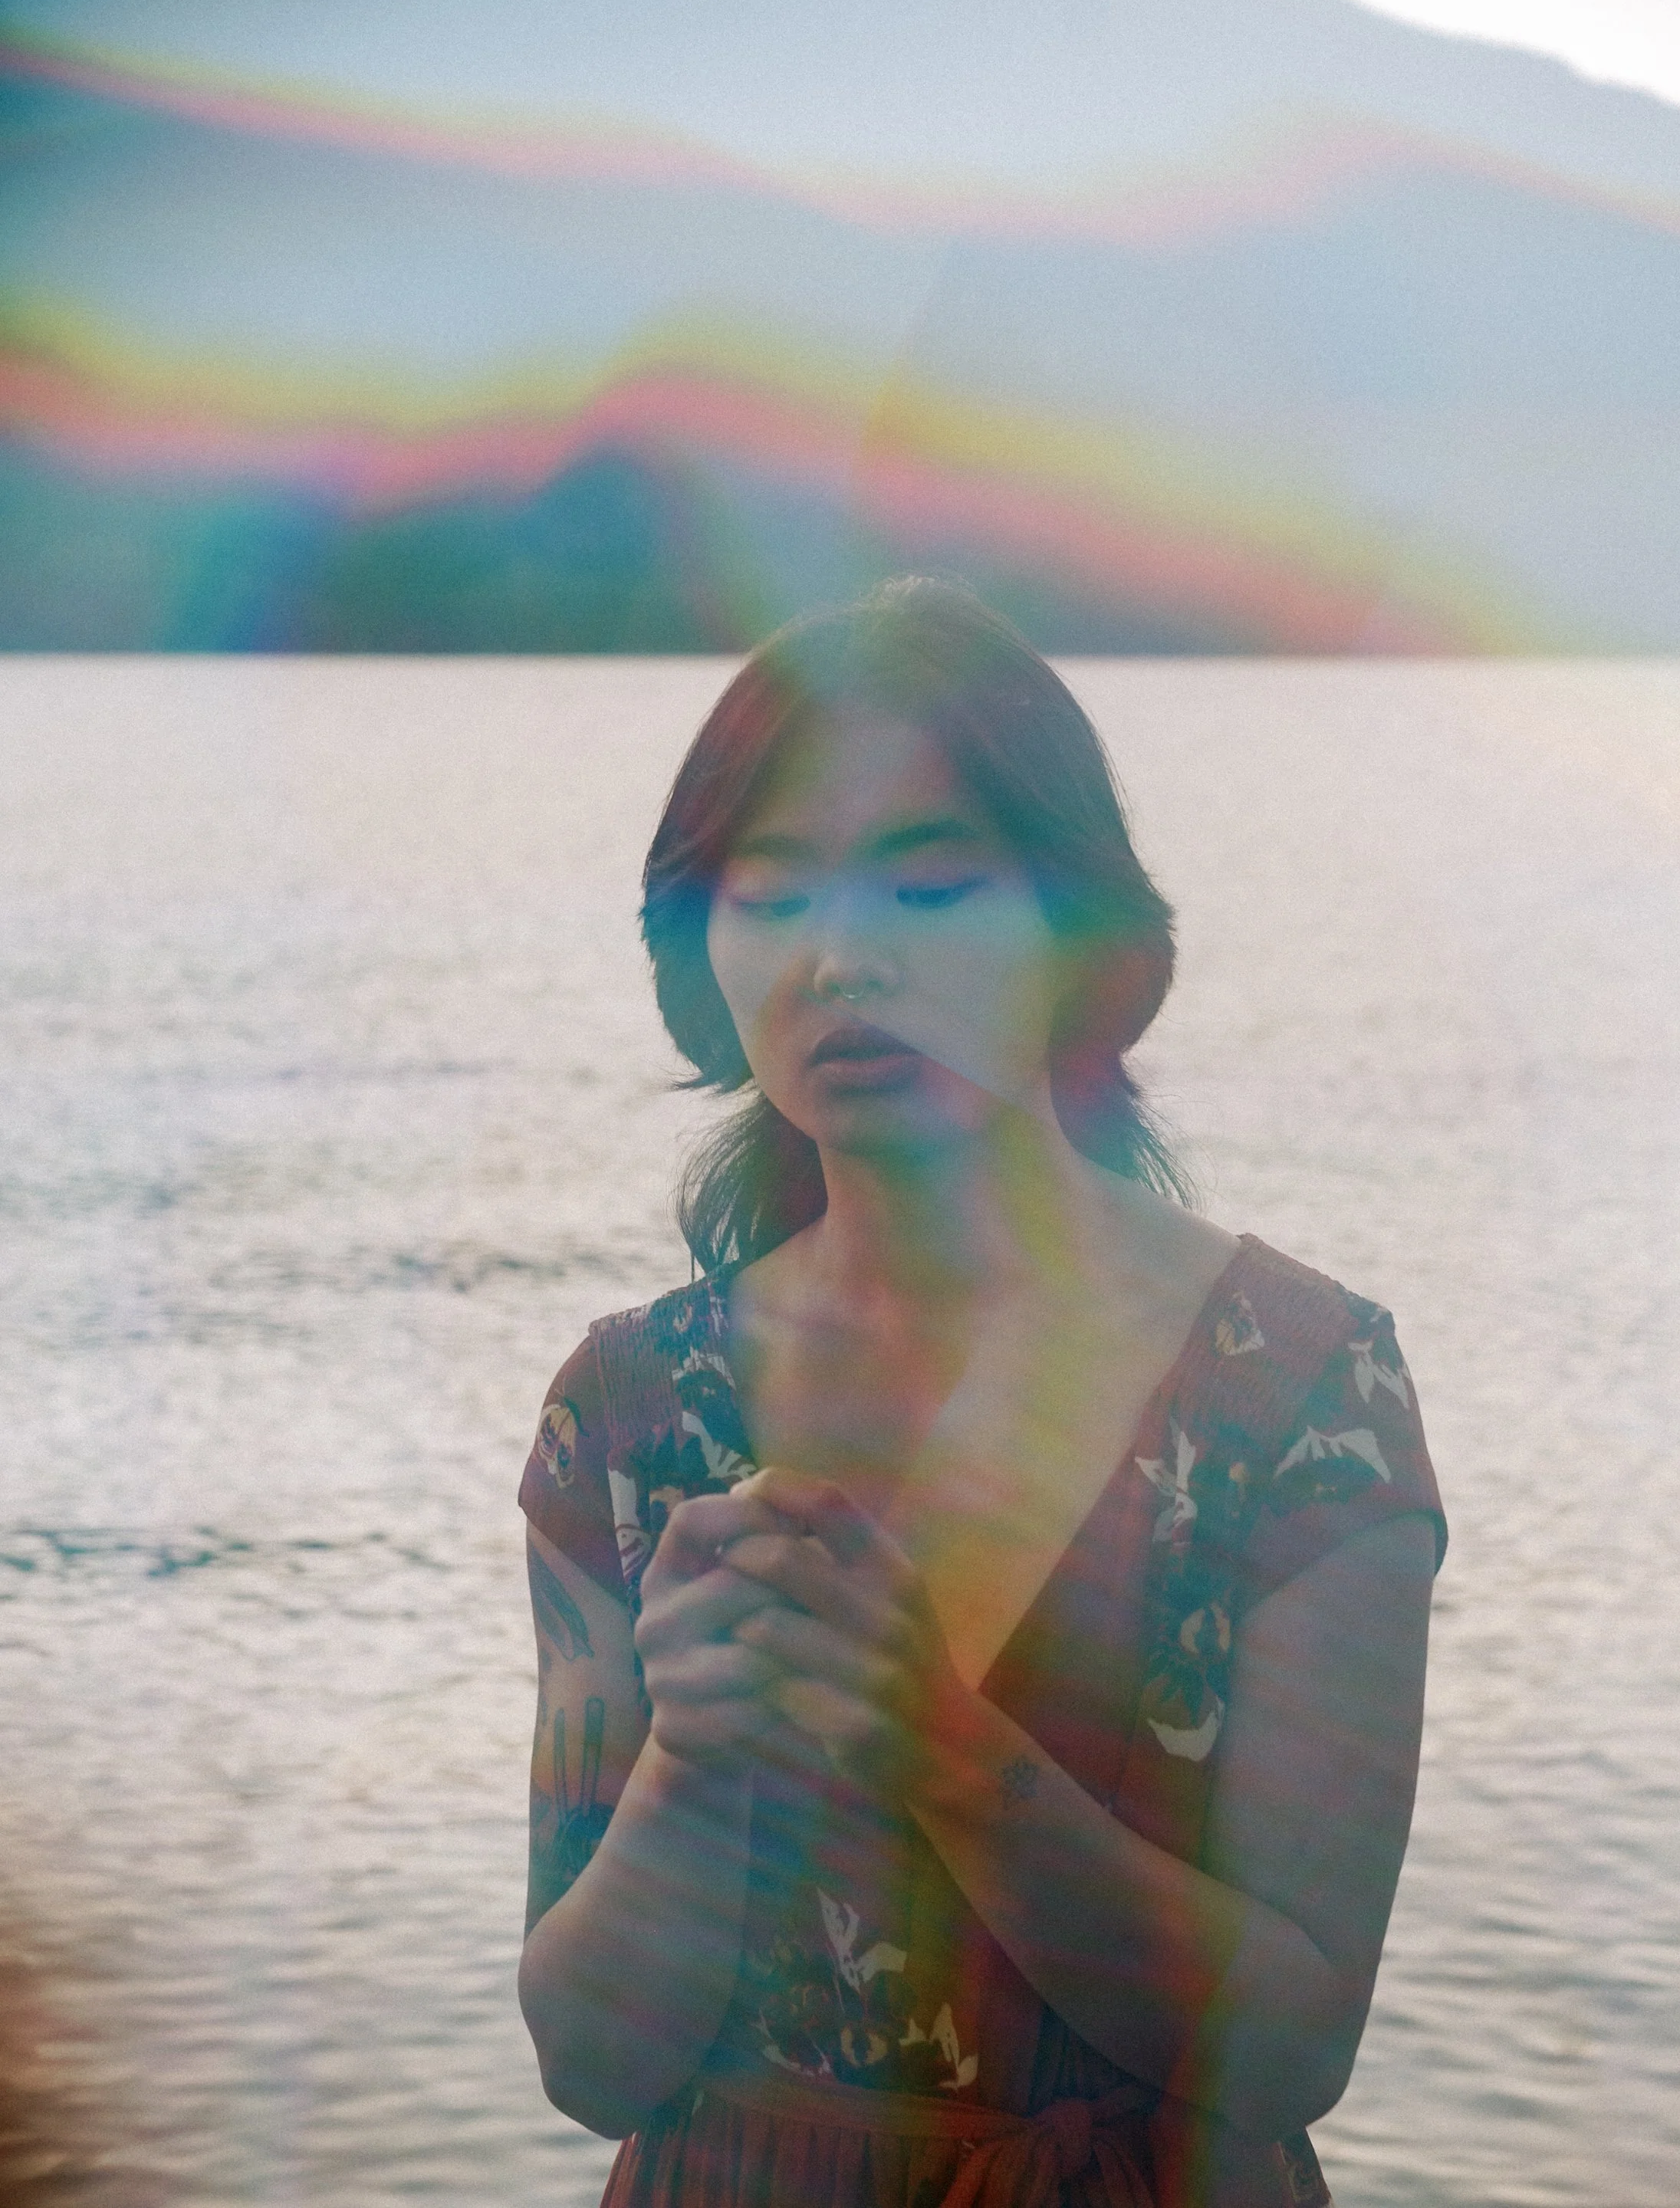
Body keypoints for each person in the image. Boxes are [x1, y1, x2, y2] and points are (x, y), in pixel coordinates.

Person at [516, 578, 1445, 2208]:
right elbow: (593, 2065)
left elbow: (1292, 2044)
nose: (839, 958)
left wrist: (937, 1739)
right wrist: (694, 1761)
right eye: (768, 890)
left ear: (1080, 936)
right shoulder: (631, 1405)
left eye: (934, 886)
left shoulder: (1296, 1384)